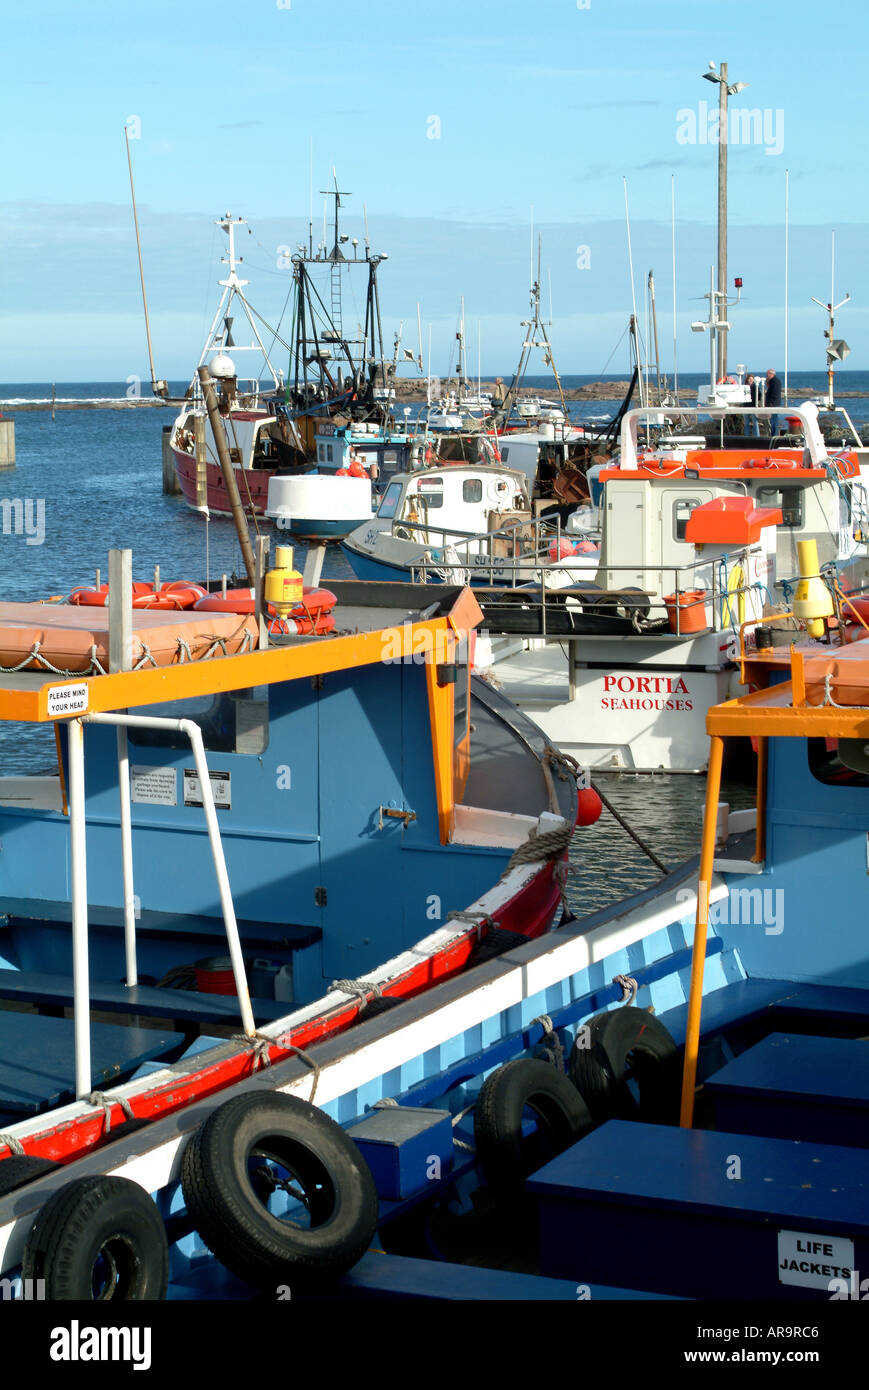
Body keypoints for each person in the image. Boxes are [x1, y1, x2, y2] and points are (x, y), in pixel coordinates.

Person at [765, 369, 783, 438]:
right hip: (775, 403)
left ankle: (774, 435)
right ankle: (774, 434)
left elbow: (774, 394)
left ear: (771, 374)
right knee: (773, 420)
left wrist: (770, 403)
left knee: (774, 421)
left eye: (767, 374)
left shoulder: (774, 381)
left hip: (773, 404)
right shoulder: (774, 381)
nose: (767, 376)